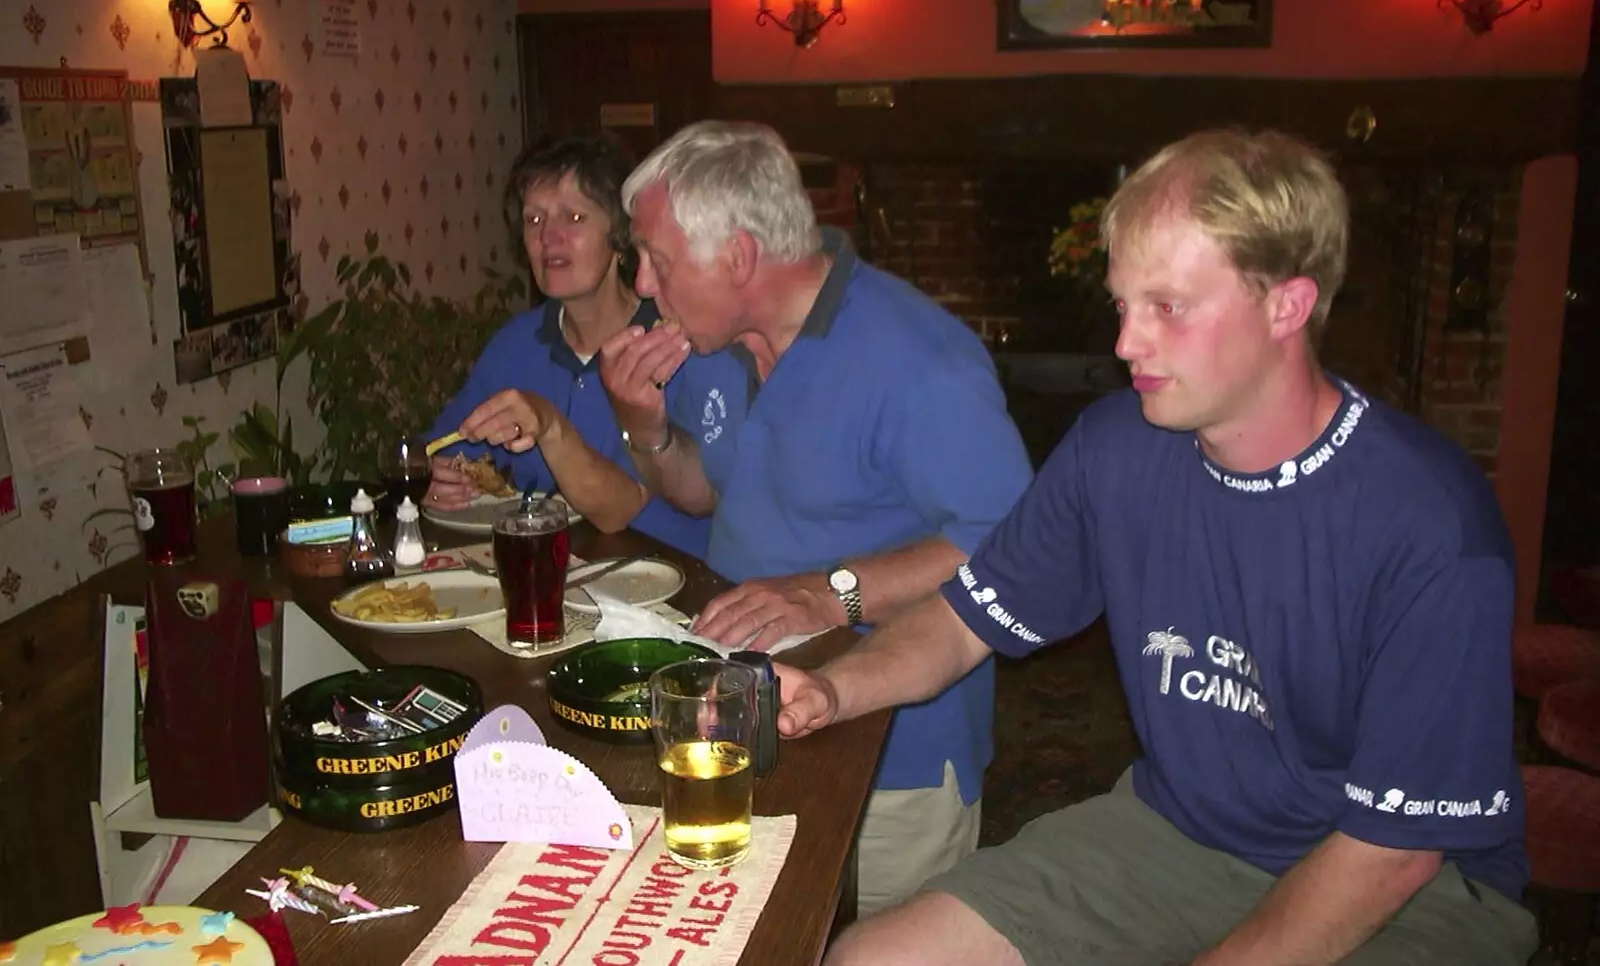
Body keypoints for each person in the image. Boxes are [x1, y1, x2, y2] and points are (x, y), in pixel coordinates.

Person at [777, 128, 1539, 966]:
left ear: (1286, 305)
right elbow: (965, 621)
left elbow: (1393, 849)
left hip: (1410, 886)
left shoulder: (1431, 523)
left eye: (1166, 307)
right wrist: (832, 688)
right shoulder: (1117, 447)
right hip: (1180, 830)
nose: (1126, 343)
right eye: (1122, 304)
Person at [597, 121, 1035, 913]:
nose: (642, 286)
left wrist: (831, 592)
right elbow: (701, 489)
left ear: (736, 256)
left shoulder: (920, 361)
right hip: (738, 721)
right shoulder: (706, 345)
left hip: (891, 754)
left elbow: (1010, 545)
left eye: (658, 261)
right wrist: (645, 428)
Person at [425, 133, 709, 559]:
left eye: (573, 219)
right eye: (534, 220)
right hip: (547, 578)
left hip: (672, 590)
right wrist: (440, 476)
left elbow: (617, 509)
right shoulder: (516, 345)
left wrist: (548, 424)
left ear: (619, 237)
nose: (548, 238)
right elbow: (441, 448)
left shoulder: (672, 344)